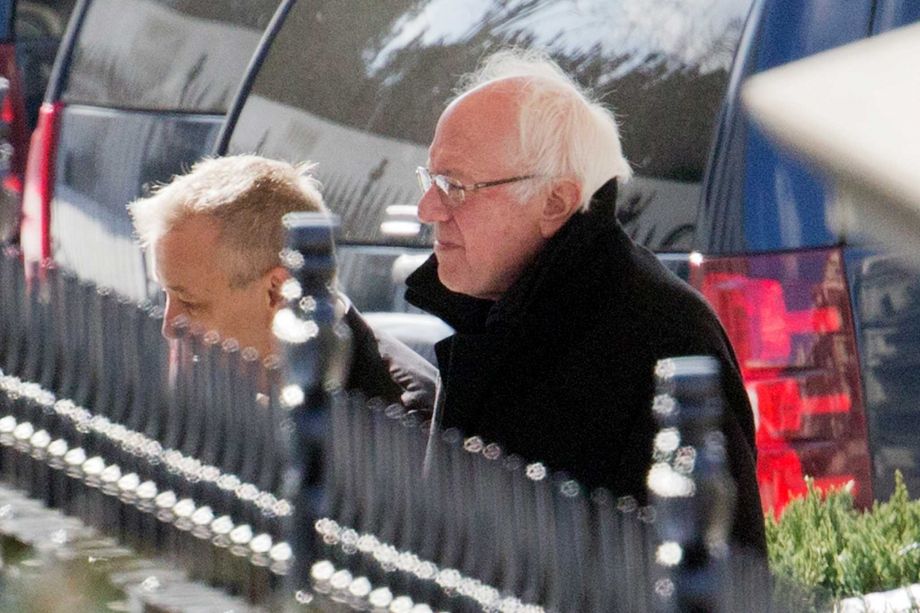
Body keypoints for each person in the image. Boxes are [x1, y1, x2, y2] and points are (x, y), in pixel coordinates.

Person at [405, 50, 766, 552]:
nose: (428, 209)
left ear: (554, 202)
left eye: (455, 186)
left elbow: (717, 575)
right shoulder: (498, 309)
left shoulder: (661, 334)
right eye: (430, 179)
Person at [129, 154, 436, 410]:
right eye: (164, 295)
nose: (168, 325)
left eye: (192, 303)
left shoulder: (396, 416)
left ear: (278, 292)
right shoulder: (210, 383)